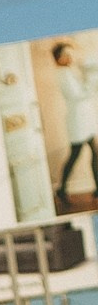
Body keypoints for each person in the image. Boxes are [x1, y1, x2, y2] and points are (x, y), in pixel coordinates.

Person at [53, 41, 98, 212]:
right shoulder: (62, 74)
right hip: (78, 120)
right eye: (67, 55)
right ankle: (62, 189)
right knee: (75, 155)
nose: (70, 58)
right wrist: (92, 83)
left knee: (94, 152)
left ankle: (95, 189)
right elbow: (77, 95)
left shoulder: (69, 71)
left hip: (84, 118)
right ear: (59, 58)